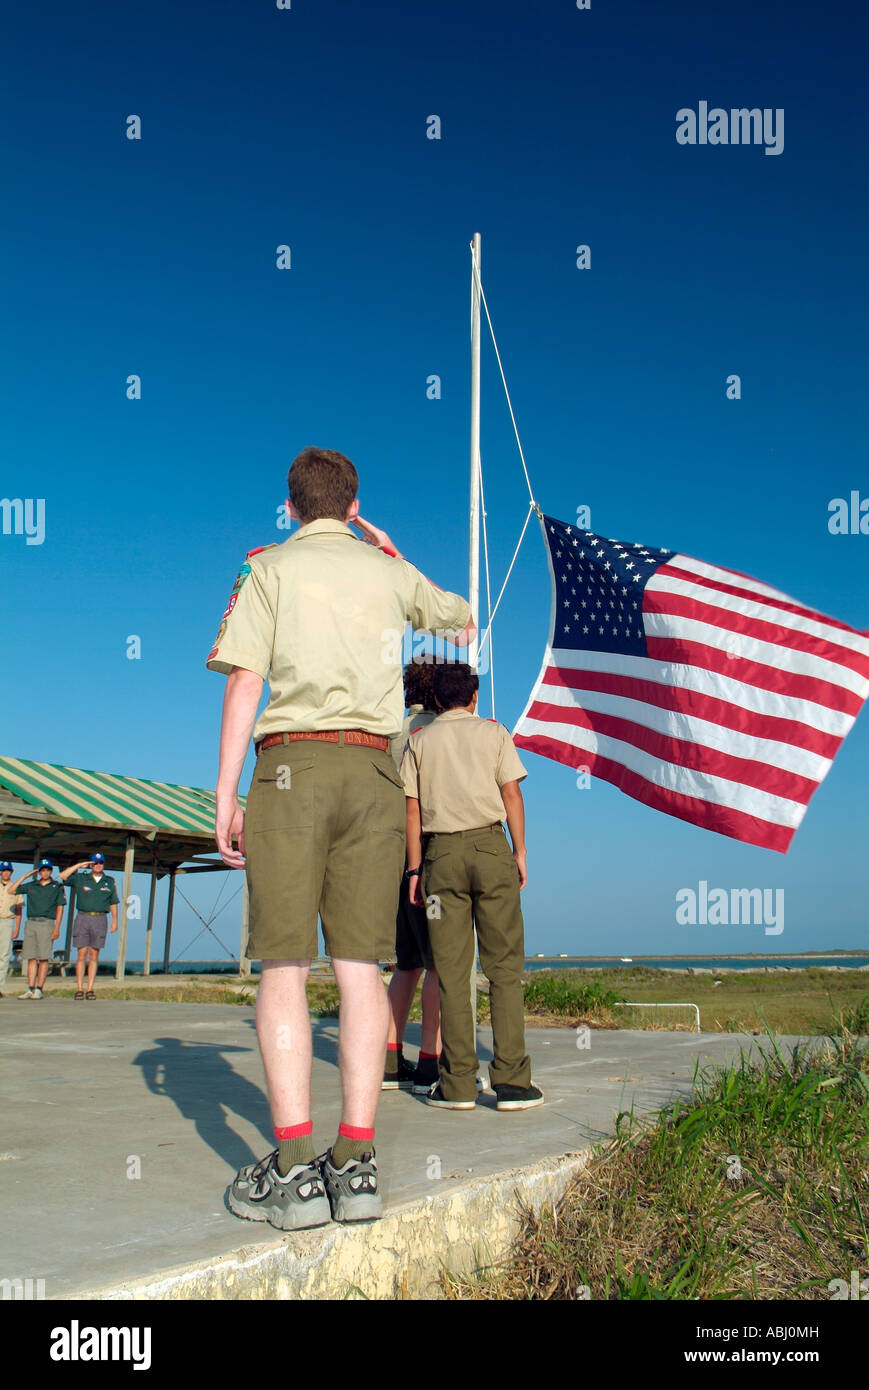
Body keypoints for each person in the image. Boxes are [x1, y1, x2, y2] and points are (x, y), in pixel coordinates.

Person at [208, 446, 473, 1230]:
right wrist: (392, 553)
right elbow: (460, 616)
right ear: (353, 506)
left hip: (291, 765)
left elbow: (245, 681)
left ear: (289, 507)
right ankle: (355, 1165)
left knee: (284, 962)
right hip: (375, 774)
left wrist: (226, 797)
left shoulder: (268, 569)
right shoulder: (388, 572)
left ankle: (292, 1171)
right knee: (361, 966)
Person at [401, 662, 543, 1111]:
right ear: (474, 697)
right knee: (504, 970)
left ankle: (459, 1083)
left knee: (452, 972)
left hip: (440, 858)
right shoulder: (494, 734)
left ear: (437, 700)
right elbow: (512, 795)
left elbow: (412, 812)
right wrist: (519, 852)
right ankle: (512, 1084)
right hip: (490, 851)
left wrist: (414, 871)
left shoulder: (419, 743)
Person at [383, 657, 441, 1093]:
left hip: (394, 856)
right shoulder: (443, 731)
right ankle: (430, 1061)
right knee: (441, 964)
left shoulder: (391, 732)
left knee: (407, 965)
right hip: (432, 852)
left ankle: (386, 1058)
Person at [58, 854, 119, 999]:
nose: (98, 865)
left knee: (94, 955)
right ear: (91, 865)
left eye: (101, 863)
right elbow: (63, 876)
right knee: (81, 955)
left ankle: (90, 989)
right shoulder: (81, 878)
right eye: (95, 863)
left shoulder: (109, 881)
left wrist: (115, 920)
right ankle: (79, 989)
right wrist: (80, 865)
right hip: (83, 917)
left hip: (100, 918)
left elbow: (113, 902)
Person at [8, 859, 66, 999]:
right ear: (39, 871)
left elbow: (60, 907)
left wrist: (57, 927)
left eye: (47, 870)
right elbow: (11, 890)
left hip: (47, 923)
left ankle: (39, 989)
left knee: (44, 957)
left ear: (51, 871)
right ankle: (30, 988)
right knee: (31, 957)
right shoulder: (32, 885)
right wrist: (26, 876)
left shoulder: (56, 886)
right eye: (43, 870)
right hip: (31, 922)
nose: (45, 872)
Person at [0, 862, 24, 998]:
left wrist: (17, 928)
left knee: (4, 955)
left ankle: (0, 986)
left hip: (7, 921)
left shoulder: (16, 888)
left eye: (8, 871)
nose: (6, 873)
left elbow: (19, 909)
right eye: (4, 871)